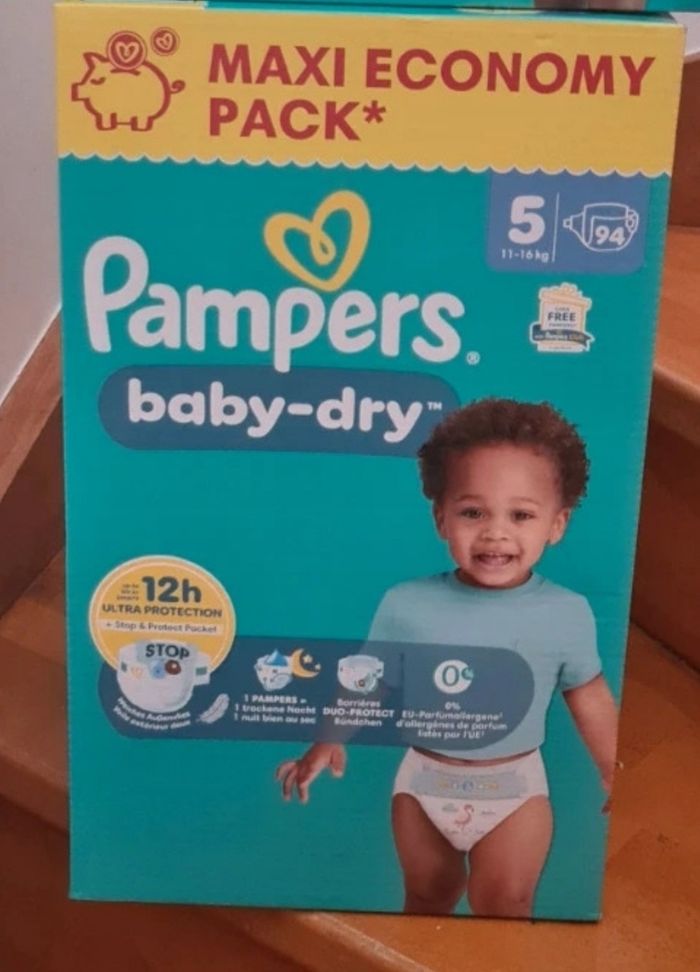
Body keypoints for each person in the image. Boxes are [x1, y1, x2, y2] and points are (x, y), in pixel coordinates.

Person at [276, 398, 618, 918]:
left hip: (514, 790)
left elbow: (588, 694)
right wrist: (327, 741)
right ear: (441, 518)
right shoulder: (407, 603)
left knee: (506, 901)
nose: (495, 532)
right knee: (427, 894)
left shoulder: (565, 612)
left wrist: (613, 767)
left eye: (521, 515)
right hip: (423, 785)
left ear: (557, 523)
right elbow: (367, 680)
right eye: (473, 512)